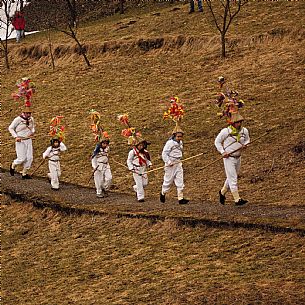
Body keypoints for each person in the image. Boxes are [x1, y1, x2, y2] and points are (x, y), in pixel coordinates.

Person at [214, 112, 250, 206]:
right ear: (233, 123)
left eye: (240, 122)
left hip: (238, 157)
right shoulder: (225, 131)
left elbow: (247, 139)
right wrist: (223, 152)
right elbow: (217, 142)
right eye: (237, 122)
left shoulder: (244, 131)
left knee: (231, 177)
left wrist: (246, 144)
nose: (239, 124)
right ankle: (237, 199)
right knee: (233, 178)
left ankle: (222, 192)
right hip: (229, 158)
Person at [160, 124, 189, 205]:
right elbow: (164, 154)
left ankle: (181, 198)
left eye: (181, 136)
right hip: (170, 164)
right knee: (168, 181)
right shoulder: (169, 143)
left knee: (180, 180)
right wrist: (169, 162)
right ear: (174, 136)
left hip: (178, 163)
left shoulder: (181, 143)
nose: (179, 138)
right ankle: (163, 192)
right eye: (178, 136)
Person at [8, 105, 35, 179]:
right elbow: (11, 128)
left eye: (30, 113)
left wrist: (32, 132)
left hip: (28, 140)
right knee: (21, 158)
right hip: (20, 141)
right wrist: (16, 137)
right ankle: (13, 164)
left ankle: (24, 173)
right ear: (24, 113)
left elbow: (33, 127)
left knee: (29, 158)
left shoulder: (31, 119)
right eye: (27, 113)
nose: (28, 115)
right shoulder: (18, 119)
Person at [127, 138, 152, 203]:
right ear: (136, 145)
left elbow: (147, 160)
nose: (141, 147)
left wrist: (149, 164)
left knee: (145, 183)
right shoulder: (132, 152)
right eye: (140, 145)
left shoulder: (145, 152)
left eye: (142, 145)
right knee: (139, 183)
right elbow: (129, 161)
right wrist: (131, 167)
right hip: (136, 169)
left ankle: (136, 188)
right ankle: (140, 197)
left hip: (143, 169)